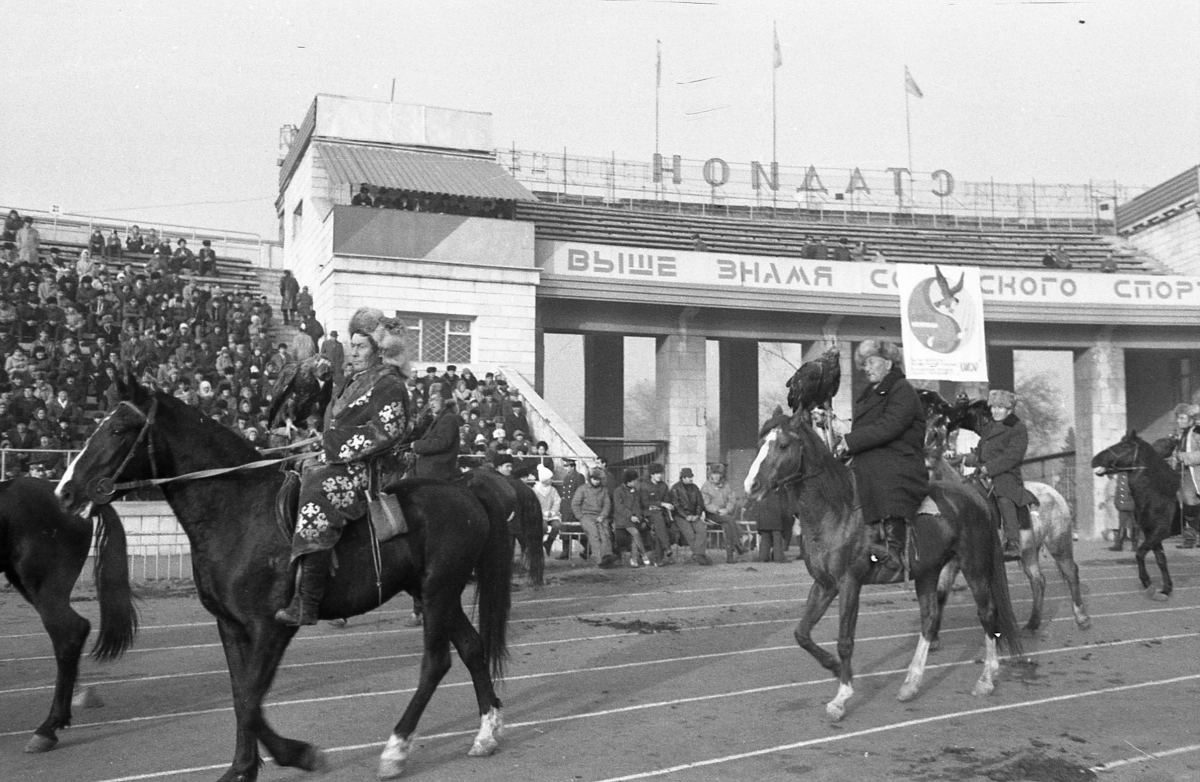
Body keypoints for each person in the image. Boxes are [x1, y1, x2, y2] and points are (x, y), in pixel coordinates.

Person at [276, 307, 413, 626]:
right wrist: (318, 438)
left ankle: (307, 601)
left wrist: (332, 446)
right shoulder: (355, 380)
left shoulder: (391, 384)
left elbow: (388, 430)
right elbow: (337, 423)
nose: (355, 351)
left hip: (364, 471)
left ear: (379, 350)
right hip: (339, 459)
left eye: (361, 346)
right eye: (352, 345)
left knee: (316, 491)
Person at [835, 340, 927, 581]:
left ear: (888, 363)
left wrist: (851, 441)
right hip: (871, 454)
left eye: (871, 362)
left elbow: (890, 426)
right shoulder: (869, 394)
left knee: (882, 475)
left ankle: (894, 553)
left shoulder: (902, 389)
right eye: (863, 364)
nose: (866, 368)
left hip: (899, 459)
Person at [967, 389, 1036, 558]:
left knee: (1004, 498)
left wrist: (988, 468)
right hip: (984, 474)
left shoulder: (1017, 428)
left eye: (1000, 408)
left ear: (1009, 410)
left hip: (1006, 475)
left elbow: (1012, 457)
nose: (995, 411)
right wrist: (962, 458)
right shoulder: (989, 427)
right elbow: (980, 451)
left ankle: (1013, 542)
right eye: (993, 407)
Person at [1167, 403, 1200, 549]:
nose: (1179, 421)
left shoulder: (1197, 432)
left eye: (1182, 418)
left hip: (1194, 473)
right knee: (1185, 505)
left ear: (1190, 419)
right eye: (1178, 418)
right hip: (1182, 473)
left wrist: (1185, 456)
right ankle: (1189, 539)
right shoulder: (1182, 435)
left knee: (1190, 504)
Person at [701, 463, 748, 563]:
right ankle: (738, 544)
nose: (716, 476)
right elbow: (706, 503)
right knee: (730, 520)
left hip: (725, 514)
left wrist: (727, 509)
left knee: (727, 526)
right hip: (712, 514)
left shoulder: (726, 485)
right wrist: (717, 510)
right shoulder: (706, 486)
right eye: (714, 474)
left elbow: (732, 499)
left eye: (719, 474)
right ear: (710, 475)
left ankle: (730, 557)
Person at [410, 393, 462, 481]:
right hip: (431, 468)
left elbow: (442, 443)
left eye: (435, 400)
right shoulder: (440, 418)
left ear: (444, 401)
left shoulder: (448, 418)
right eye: (430, 400)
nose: (431, 404)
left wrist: (417, 446)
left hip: (436, 470)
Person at [572, 467, 616, 568]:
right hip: (586, 516)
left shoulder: (604, 490)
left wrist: (602, 515)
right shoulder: (582, 489)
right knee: (594, 534)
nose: (596, 482)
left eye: (598, 479)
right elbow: (575, 504)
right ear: (590, 478)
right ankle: (598, 559)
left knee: (605, 533)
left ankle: (607, 556)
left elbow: (607, 504)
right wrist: (580, 516)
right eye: (594, 479)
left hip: (600, 516)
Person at [668, 467, 712, 565]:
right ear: (682, 478)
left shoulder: (695, 488)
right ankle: (700, 555)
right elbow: (676, 505)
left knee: (702, 530)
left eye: (691, 476)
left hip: (694, 515)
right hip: (680, 517)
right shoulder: (675, 488)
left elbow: (700, 503)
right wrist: (685, 516)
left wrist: (697, 515)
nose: (691, 479)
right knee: (690, 534)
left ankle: (697, 555)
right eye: (688, 477)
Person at [638, 462, 674, 566]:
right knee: (658, 520)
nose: (659, 475)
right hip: (647, 514)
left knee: (659, 525)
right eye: (656, 473)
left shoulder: (663, 486)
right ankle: (665, 549)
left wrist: (663, 505)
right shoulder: (644, 486)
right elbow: (645, 503)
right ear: (651, 474)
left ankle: (659, 559)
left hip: (660, 514)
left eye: (660, 473)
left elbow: (667, 499)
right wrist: (661, 504)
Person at [552, 457, 587, 559]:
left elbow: (581, 493)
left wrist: (577, 507)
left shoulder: (579, 477)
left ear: (572, 466)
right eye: (565, 466)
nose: (566, 468)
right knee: (565, 529)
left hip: (574, 507)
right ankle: (565, 552)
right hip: (566, 507)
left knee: (576, 529)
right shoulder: (566, 478)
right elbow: (564, 494)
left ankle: (588, 548)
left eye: (567, 466)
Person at [613, 468, 648, 567]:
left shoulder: (635, 491)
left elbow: (637, 506)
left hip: (633, 520)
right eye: (635, 480)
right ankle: (643, 553)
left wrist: (638, 516)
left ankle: (634, 559)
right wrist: (631, 516)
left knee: (634, 537)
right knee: (635, 533)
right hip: (623, 520)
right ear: (629, 481)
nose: (636, 482)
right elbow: (619, 507)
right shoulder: (618, 491)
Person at [532, 465, 560, 556]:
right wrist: (541, 513)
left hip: (551, 514)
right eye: (550, 478)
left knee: (557, 525)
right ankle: (538, 545)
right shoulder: (535, 490)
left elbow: (557, 501)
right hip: (539, 515)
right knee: (543, 527)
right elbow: (533, 504)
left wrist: (553, 512)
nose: (552, 480)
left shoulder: (553, 490)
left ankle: (549, 542)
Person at [1107, 472, 1138, 552]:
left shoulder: (1133, 475)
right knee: (1122, 524)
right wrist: (1117, 502)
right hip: (1123, 505)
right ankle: (1119, 544)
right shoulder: (1121, 476)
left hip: (1132, 504)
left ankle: (1135, 545)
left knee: (1135, 524)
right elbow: (1118, 491)